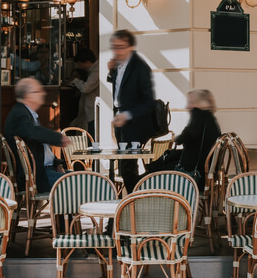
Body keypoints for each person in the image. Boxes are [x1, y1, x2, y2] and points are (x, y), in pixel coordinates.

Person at [107, 29, 156, 193]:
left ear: (131, 47)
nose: (117, 51)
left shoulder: (140, 67)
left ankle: (137, 200)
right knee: (124, 167)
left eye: (121, 47)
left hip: (135, 124)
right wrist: (111, 72)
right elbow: (122, 88)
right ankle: (133, 201)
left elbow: (149, 102)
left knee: (127, 168)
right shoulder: (119, 64)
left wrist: (126, 115)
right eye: (114, 47)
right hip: (121, 122)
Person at [4, 78, 67, 193]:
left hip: (47, 170)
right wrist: (58, 138)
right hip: (38, 177)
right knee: (83, 182)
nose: (43, 93)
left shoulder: (27, 114)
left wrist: (57, 163)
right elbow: (31, 133)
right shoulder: (19, 113)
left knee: (88, 178)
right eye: (38, 91)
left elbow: (40, 147)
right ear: (29, 96)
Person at [145, 89, 221, 185]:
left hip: (192, 176)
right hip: (204, 175)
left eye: (191, 103)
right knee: (165, 161)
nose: (187, 106)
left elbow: (186, 137)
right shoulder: (211, 119)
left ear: (199, 103)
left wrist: (177, 138)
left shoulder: (198, 115)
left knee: (151, 175)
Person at [68, 48, 100, 135]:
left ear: (87, 61)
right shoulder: (93, 70)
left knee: (93, 137)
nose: (79, 67)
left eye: (80, 64)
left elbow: (86, 88)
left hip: (94, 112)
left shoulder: (97, 71)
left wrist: (75, 81)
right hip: (91, 111)